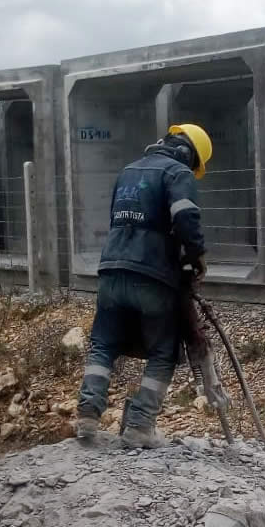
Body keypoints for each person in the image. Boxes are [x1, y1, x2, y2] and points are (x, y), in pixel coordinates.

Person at [76, 124, 213, 448]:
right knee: (163, 351)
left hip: (111, 269)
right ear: (190, 155)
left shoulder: (128, 170)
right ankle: (139, 425)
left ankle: (87, 415)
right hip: (152, 275)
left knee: (103, 343)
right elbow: (186, 219)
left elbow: (117, 220)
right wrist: (196, 257)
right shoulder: (179, 174)